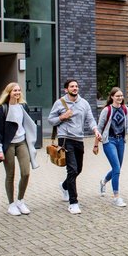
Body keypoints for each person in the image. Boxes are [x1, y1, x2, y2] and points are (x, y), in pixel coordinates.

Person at [48, 79, 101, 214]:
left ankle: (64, 185)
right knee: (72, 170)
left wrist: (96, 130)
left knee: (79, 169)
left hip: (79, 139)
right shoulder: (59, 103)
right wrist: (62, 117)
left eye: (76, 86)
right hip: (65, 139)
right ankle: (73, 203)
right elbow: (50, 120)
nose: (75, 88)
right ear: (66, 89)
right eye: (72, 86)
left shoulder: (84, 103)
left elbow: (90, 119)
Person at [0, 82, 39, 216]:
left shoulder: (23, 106)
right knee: (10, 175)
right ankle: (11, 204)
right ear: (9, 93)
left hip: (21, 142)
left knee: (26, 173)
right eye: (14, 91)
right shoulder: (3, 108)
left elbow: (27, 124)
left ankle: (20, 201)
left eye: (18, 90)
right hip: (8, 144)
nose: (17, 93)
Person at [94, 87, 128, 207]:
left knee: (116, 169)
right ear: (112, 97)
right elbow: (99, 129)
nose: (120, 98)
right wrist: (96, 145)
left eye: (121, 96)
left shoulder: (125, 109)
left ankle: (103, 182)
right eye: (117, 96)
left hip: (121, 141)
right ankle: (116, 197)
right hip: (109, 141)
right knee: (117, 168)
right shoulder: (107, 110)